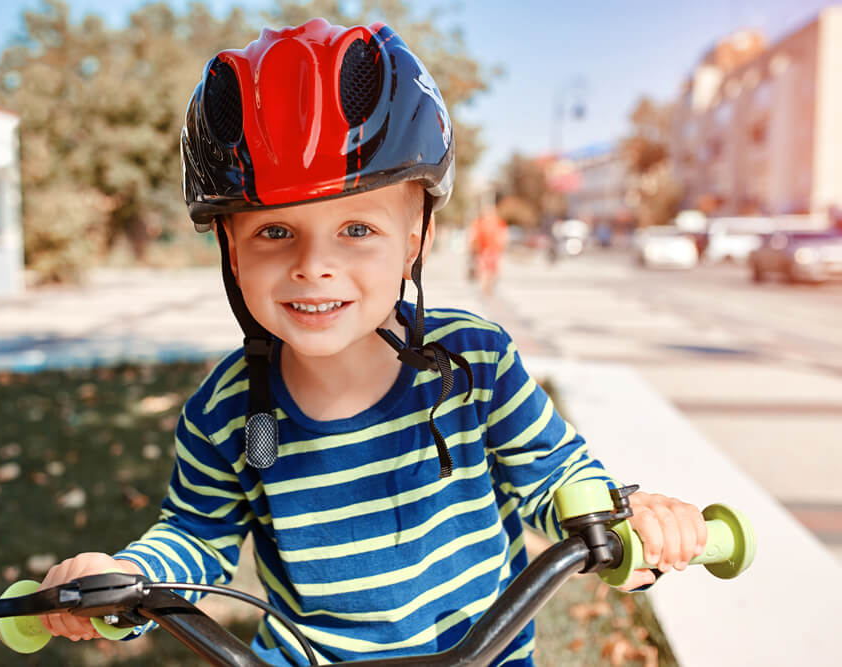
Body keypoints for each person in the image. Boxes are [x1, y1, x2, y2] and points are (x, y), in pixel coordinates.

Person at [37, 19, 707, 666]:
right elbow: (196, 538)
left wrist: (624, 526)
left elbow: (555, 474)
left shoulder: (472, 365)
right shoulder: (235, 418)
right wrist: (124, 575)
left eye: (357, 229)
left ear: (415, 239)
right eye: (275, 232)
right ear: (231, 250)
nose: (313, 266)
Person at [467, 206, 508, 295]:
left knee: (491, 270)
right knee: (484, 269)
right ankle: (485, 287)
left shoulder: (498, 223)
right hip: (484, 250)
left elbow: (503, 235)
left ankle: (488, 286)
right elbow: (473, 234)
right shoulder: (481, 223)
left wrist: (502, 245)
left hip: (493, 250)